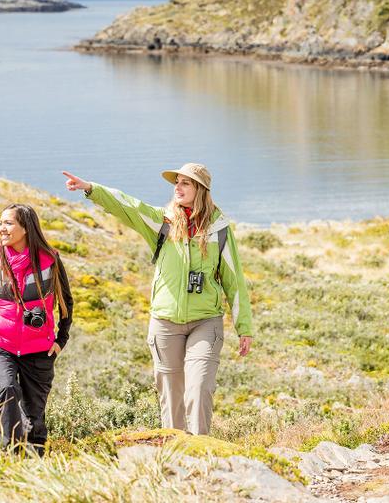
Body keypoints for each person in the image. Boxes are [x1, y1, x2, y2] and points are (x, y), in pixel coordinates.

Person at [62, 163, 253, 435]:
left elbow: (234, 279)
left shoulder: (219, 229)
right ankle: (175, 453)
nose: (178, 187)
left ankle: (200, 452)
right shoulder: (162, 221)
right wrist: (92, 189)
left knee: (199, 388)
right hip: (165, 322)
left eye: (186, 183)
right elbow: (128, 206)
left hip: (205, 322)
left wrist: (244, 326)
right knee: (171, 394)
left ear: (201, 190)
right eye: (177, 182)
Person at [0, 203, 73, 455]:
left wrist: (61, 339)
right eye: (0, 223)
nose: (2, 228)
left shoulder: (50, 261)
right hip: (0, 342)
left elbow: (66, 302)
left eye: (8, 223)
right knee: (7, 389)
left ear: (26, 227)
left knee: (34, 417)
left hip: (39, 348)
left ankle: (34, 468)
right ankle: (9, 453)